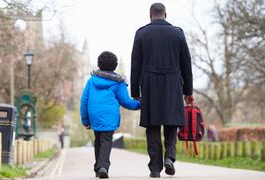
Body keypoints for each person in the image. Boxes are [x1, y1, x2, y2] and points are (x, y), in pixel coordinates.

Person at [130, 3, 194, 178]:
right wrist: (188, 91)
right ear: (165, 14)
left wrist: (135, 92)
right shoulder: (177, 33)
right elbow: (186, 64)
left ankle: (155, 168)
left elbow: (135, 64)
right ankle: (170, 159)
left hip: (150, 85)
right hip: (173, 84)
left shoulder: (141, 33)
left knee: (152, 126)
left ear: (150, 15)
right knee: (171, 123)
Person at [81, 51, 141, 179]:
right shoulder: (118, 82)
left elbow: (84, 101)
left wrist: (85, 119)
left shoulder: (92, 80)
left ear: (99, 65)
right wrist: (140, 103)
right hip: (110, 116)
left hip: (94, 116)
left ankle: (98, 167)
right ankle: (103, 166)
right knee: (106, 140)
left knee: (98, 139)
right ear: (115, 66)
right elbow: (126, 101)